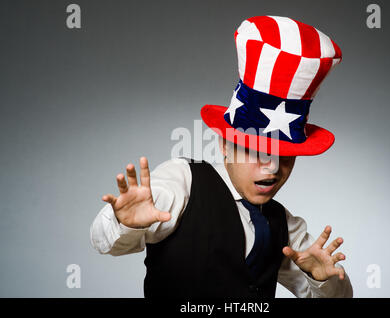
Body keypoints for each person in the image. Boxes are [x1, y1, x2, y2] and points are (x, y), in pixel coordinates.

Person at [90, 15, 353, 299]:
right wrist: (125, 222)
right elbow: (105, 243)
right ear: (225, 144)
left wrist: (321, 280)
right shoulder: (182, 183)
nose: (273, 166)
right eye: (257, 150)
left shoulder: (285, 226)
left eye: (286, 154)